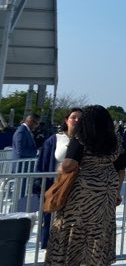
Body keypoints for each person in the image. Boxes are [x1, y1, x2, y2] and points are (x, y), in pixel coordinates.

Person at [43, 104, 126, 266]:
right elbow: (121, 169)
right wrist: (116, 191)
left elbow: (70, 164)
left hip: (83, 192)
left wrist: (60, 168)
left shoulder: (82, 137)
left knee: (75, 232)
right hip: (107, 190)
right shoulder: (115, 140)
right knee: (97, 232)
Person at [34, 107, 82, 250]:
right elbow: (42, 164)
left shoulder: (86, 141)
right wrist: (39, 187)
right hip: (56, 189)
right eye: (73, 117)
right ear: (66, 120)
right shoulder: (54, 140)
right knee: (52, 226)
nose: (77, 120)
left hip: (76, 190)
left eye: (80, 118)